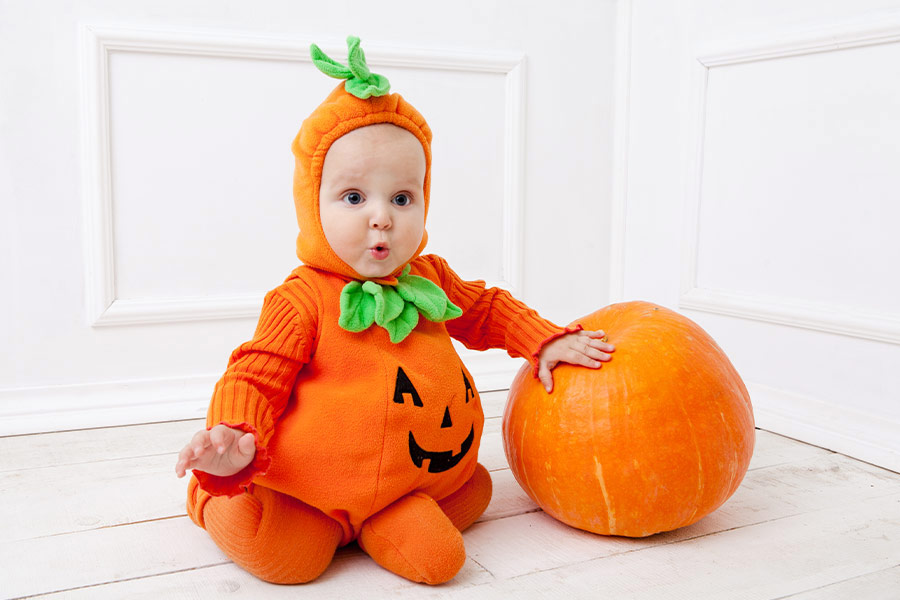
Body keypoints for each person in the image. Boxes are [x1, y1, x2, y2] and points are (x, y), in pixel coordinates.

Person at [174, 36, 615, 586]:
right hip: (309, 486)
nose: (381, 218)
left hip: (409, 480)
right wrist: (231, 435)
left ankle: (378, 517)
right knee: (289, 563)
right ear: (313, 205)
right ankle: (217, 495)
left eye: (401, 198)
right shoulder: (302, 298)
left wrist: (543, 339)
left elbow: (487, 309)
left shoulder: (430, 277)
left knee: (467, 506)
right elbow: (254, 373)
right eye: (354, 198)